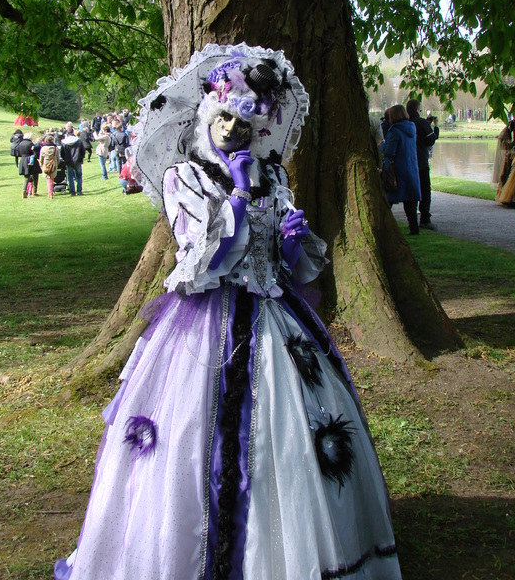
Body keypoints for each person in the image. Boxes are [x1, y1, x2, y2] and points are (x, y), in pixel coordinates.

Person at [55, 44, 402, 580]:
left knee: (285, 442)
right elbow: (200, 260)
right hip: (203, 328)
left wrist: (293, 242)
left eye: (245, 122)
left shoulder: (274, 177)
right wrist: (237, 199)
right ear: (204, 118)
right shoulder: (184, 180)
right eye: (223, 119)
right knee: (190, 446)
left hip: (276, 320)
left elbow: (297, 265)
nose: (233, 133)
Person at [381, 104, 421, 235]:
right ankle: (414, 228)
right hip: (411, 168)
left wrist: (382, 146)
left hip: (397, 170)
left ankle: (383, 228)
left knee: (388, 201)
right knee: (410, 203)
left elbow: (390, 151)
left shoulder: (394, 130)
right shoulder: (411, 128)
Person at [406, 98, 438, 230]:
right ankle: (425, 218)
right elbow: (431, 140)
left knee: (410, 191)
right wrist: (435, 127)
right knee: (425, 191)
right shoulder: (422, 123)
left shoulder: (405, 123)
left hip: (408, 162)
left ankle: (412, 220)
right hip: (421, 161)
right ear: (418, 109)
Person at [60, 127, 86, 196]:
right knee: (79, 176)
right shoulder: (78, 141)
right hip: (77, 160)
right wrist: (81, 158)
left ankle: (72, 192)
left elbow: (62, 153)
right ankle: (79, 191)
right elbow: (83, 151)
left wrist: (65, 159)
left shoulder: (64, 142)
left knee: (70, 176)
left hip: (68, 161)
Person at [17, 133, 40, 198]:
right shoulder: (30, 144)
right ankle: (34, 191)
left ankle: (24, 192)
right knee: (35, 175)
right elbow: (35, 153)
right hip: (30, 159)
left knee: (26, 177)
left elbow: (19, 153)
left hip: (23, 159)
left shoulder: (20, 144)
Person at [39, 134, 60, 199]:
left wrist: (41, 165)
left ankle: (50, 192)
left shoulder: (43, 148)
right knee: (52, 178)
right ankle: (51, 192)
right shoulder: (55, 148)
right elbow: (58, 157)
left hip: (46, 163)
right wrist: (57, 164)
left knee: (48, 178)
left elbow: (41, 158)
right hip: (54, 163)